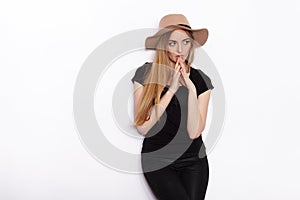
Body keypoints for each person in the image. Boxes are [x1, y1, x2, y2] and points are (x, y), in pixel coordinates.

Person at [131, 14, 214, 200]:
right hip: (157, 161)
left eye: (185, 42)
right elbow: (143, 127)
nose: (180, 49)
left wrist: (191, 90)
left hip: (194, 160)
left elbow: (194, 132)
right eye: (172, 43)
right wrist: (171, 91)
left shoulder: (201, 80)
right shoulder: (145, 74)